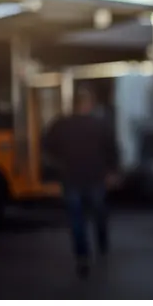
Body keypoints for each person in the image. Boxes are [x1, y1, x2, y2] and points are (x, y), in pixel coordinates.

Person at [44, 88, 119, 278]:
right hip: (95, 177)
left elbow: (47, 146)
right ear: (89, 104)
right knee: (99, 213)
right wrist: (112, 172)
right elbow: (112, 149)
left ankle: (82, 257)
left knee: (76, 220)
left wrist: (58, 164)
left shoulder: (61, 125)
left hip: (71, 178)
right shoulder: (100, 125)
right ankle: (102, 244)